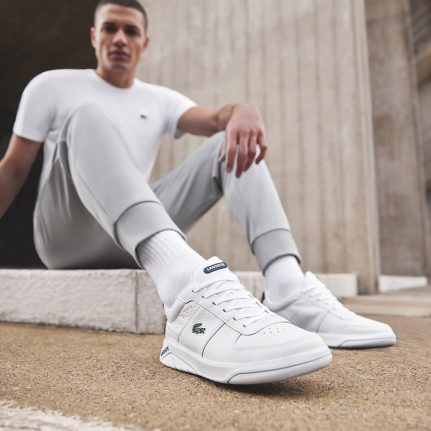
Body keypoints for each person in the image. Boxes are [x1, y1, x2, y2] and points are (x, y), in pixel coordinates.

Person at [0, 0, 395, 385]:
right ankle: (182, 285)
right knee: (84, 117)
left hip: (128, 237)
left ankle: (287, 288)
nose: (119, 38)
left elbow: (216, 119)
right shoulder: (51, 86)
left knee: (229, 142)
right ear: (93, 36)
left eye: (130, 31)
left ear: (144, 43)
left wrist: (242, 110)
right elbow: (13, 170)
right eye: (110, 28)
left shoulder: (159, 99)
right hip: (65, 235)